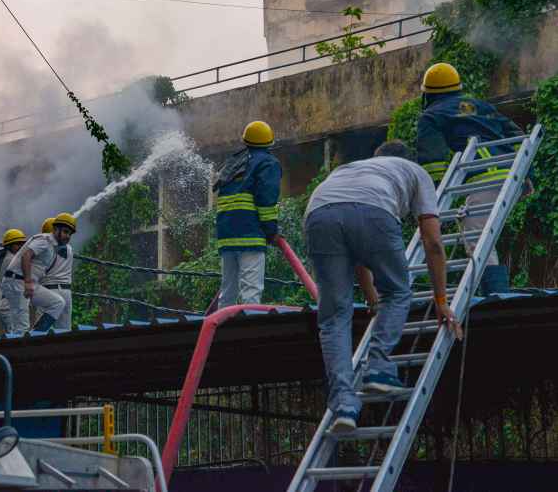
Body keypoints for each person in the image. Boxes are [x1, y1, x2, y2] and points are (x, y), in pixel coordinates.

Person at [304, 140, 463, 432]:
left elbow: (358, 253)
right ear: (406, 159)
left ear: (377, 157)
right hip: (373, 213)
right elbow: (433, 242)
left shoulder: (350, 170)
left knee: (334, 317)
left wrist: (371, 299)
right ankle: (377, 367)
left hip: (318, 213)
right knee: (399, 291)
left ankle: (344, 406)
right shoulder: (415, 171)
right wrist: (441, 300)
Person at [416, 62, 527, 295]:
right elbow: (518, 136)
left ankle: (496, 297)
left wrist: (432, 201)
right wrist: (525, 174)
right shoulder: (482, 107)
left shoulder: (432, 115)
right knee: (479, 228)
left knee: (477, 240)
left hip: (483, 178)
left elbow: (433, 160)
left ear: (429, 93)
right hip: (510, 178)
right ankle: (493, 291)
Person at [213, 120, 282, 308]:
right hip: (250, 234)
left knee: (228, 292)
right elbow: (266, 199)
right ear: (269, 142)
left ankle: (222, 330)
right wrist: (271, 231)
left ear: (245, 141)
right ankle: (250, 331)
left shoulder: (233, 162)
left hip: (226, 235)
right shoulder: (268, 163)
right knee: (251, 290)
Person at [0, 214, 73, 333]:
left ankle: (36, 335)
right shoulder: (45, 240)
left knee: (58, 303)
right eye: (65, 232)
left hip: (26, 283)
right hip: (18, 282)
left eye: (69, 234)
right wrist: (28, 282)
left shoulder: (53, 248)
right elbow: (26, 255)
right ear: (55, 230)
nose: (67, 236)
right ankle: (22, 347)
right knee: (22, 327)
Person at [38, 213, 76, 329]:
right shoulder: (69, 249)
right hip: (66, 292)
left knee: (40, 332)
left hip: (48, 292)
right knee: (64, 331)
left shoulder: (44, 248)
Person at [0, 228, 27, 333]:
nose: (21, 247)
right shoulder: (10, 260)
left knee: (17, 336)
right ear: (9, 245)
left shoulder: (3, 257)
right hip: (10, 307)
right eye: (17, 244)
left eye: (22, 244)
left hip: (10, 305)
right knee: (19, 337)